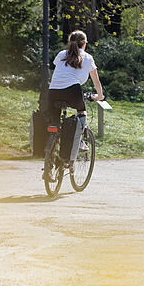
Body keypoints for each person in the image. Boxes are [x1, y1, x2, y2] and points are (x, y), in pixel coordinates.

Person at [44, 30, 104, 179]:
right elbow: (96, 81)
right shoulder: (88, 57)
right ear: (84, 44)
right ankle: (82, 141)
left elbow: (60, 70)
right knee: (81, 113)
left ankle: (48, 168)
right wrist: (100, 96)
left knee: (54, 125)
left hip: (53, 92)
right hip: (73, 90)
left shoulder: (61, 55)